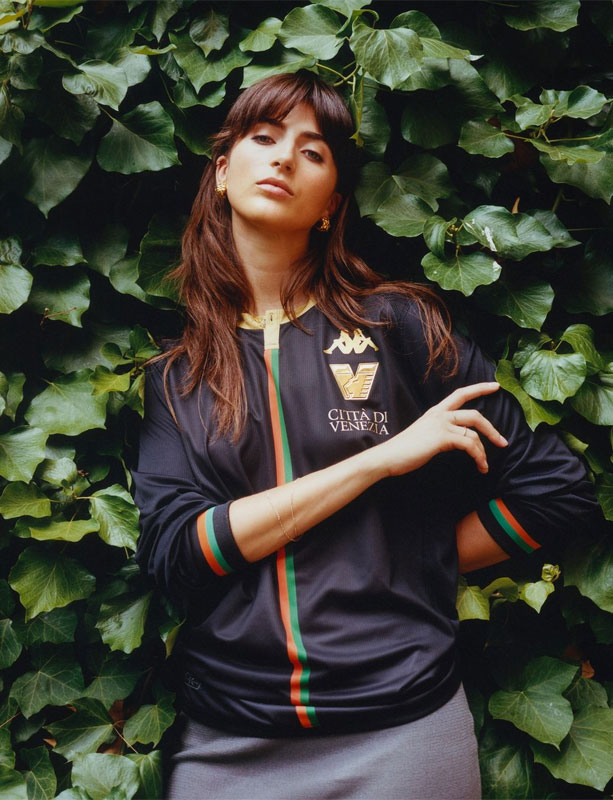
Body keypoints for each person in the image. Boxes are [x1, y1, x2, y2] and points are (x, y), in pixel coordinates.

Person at [131, 71, 598, 800]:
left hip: (402, 732)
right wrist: (377, 462)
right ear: (221, 172)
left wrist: (410, 560)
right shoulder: (178, 377)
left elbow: (553, 490)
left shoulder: (399, 327)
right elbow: (175, 553)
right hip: (229, 744)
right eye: (264, 138)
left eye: (312, 151)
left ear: (330, 205)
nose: (284, 158)